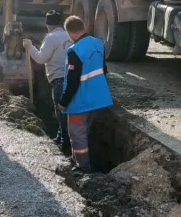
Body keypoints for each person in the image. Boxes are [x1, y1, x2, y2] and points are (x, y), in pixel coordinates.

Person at [57, 16, 113, 172]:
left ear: (71, 32)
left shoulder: (74, 51)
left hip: (79, 103)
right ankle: (78, 161)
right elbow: (103, 69)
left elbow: (72, 81)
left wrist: (63, 102)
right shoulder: (98, 43)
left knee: (77, 134)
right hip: (97, 100)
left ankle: (83, 167)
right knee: (84, 130)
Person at [23, 10, 72, 152]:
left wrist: (30, 47)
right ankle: (59, 137)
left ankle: (65, 145)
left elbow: (40, 59)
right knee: (65, 112)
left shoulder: (51, 38)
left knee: (61, 113)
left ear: (47, 24)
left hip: (59, 81)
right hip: (73, 79)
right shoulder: (69, 35)